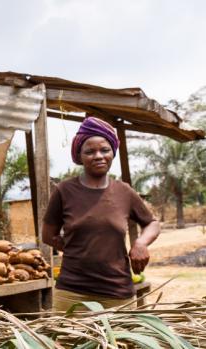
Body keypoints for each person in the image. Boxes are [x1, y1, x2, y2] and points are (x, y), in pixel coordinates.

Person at [42, 116, 160, 311]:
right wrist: (75, 247)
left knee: (119, 343)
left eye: (104, 150)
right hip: (72, 293)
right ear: (80, 156)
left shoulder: (124, 192)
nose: (98, 156)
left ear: (112, 152)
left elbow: (152, 223)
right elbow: (47, 235)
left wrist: (141, 243)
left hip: (117, 293)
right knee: (68, 342)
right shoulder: (64, 191)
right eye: (90, 151)